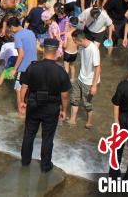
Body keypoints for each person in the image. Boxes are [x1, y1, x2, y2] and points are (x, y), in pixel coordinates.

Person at [19, 37, 71, 172]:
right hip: (51, 107)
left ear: (43, 50)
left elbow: (24, 86)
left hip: (33, 104)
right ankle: (45, 165)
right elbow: (64, 95)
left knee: (29, 134)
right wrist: (64, 110)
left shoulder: (33, 66)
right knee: (47, 138)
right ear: (56, 51)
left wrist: (21, 102)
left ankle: (25, 161)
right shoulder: (61, 71)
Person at [69, 31, 101, 128]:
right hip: (80, 78)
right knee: (74, 99)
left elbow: (98, 68)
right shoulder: (82, 47)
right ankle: (72, 120)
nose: (74, 43)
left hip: (90, 82)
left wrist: (94, 85)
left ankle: (89, 122)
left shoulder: (94, 49)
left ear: (81, 40)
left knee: (87, 104)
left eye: (75, 41)